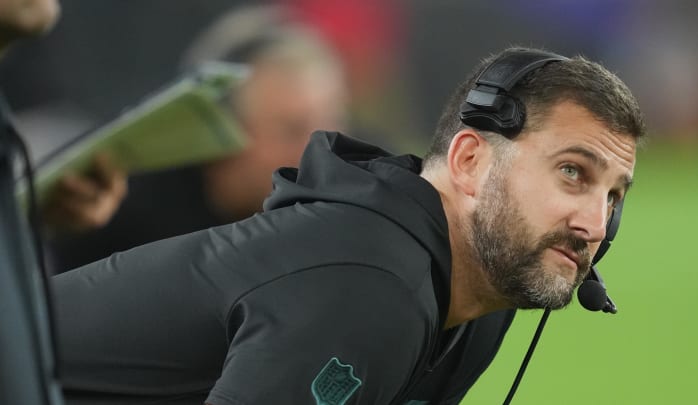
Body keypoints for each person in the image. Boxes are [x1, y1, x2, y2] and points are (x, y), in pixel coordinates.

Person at [53, 47, 645, 404]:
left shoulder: (480, 301)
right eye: (572, 172)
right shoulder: (370, 287)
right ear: (469, 160)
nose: (594, 222)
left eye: (614, 196)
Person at [44, 5, 348, 272]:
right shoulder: (118, 223)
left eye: (333, 124)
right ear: (221, 132)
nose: (324, 152)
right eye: (291, 130)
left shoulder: (363, 192)